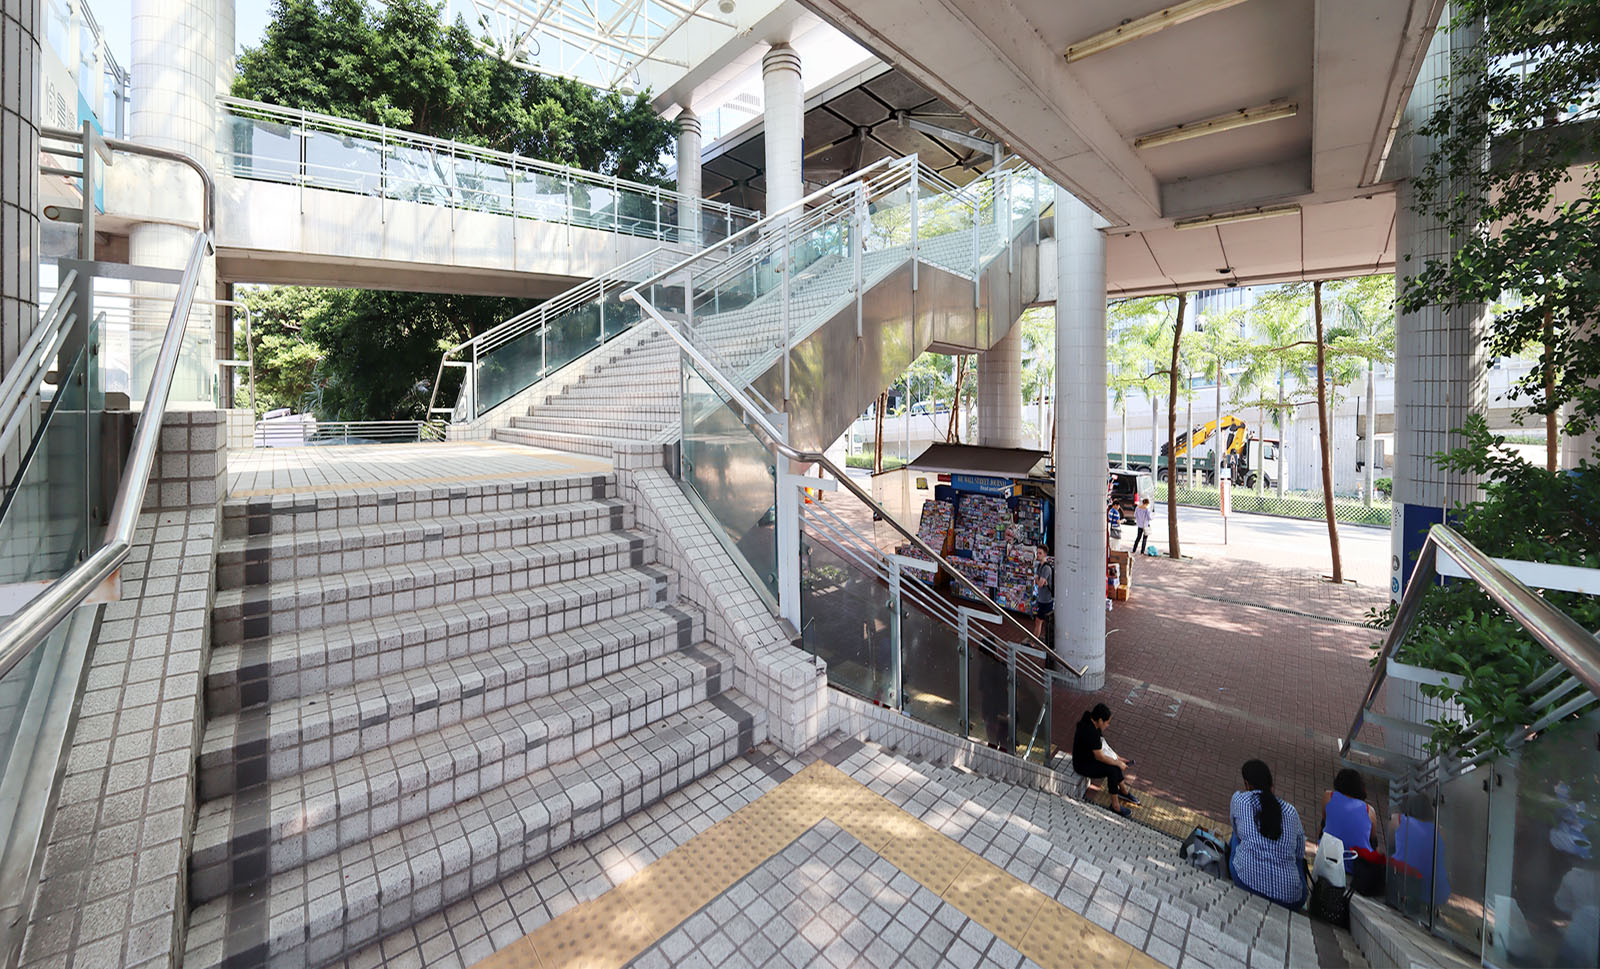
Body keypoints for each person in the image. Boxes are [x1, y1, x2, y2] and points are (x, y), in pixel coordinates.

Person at [1228, 760, 1308, 909]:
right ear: (1272, 785)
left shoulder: (1240, 800)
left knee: (1235, 836)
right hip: (1289, 899)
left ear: (1247, 784)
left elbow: (1238, 832)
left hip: (1245, 881)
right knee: (1298, 862)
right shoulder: (1291, 812)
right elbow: (1299, 853)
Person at [1072, 703, 1140, 817]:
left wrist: (1118, 758)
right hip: (1082, 765)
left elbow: (1103, 745)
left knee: (1114, 764)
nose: (1108, 725)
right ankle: (1115, 806)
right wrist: (1117, 762)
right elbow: (1100, 757)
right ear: (1099, 720)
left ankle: (1123, 792)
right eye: (1107, 722)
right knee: (1112, 769)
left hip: (1089, 758)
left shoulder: (1091, 721)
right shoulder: (1090, 732)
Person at [1391, 792, 1450, 913]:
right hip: (1438, 892)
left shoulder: (1399, 820)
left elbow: (1390, 843)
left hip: (1408, 887)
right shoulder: (1439, 831)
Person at [1320, 768, 1378, 871]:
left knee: (1325, 824)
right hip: (1358, 865)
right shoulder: (1370, 811)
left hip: (1329, 858)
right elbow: (1372, 838)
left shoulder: (1328, 796)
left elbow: (1325, 819)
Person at [1033, 549, 1054, 639]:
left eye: (1040, 553)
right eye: (1037, 553)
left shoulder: (1046, 568)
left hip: (1046, 599)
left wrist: (1038, 580)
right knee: (1042, 621)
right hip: (1042, 598)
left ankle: (1033, 642)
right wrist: (1039, 581)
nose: (1038, 555)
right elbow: (1038, 581)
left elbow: (1039, 583)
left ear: (1045, 554)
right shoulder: (1039, 566)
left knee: (1038, 620)